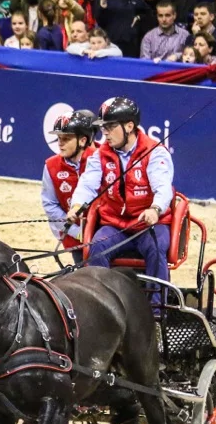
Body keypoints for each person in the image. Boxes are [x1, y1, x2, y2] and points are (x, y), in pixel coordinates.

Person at [67, 96, 176, 293]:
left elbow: (163, 187)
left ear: (129, 126)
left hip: (149, 224)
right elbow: (87, 185)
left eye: (110, 127)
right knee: (96, 247)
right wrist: (76, 206)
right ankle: (98, 301)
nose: (105, 133)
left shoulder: (155, 152)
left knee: (156, 247)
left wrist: (155, 209)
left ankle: (157, 310)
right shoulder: (99, 155)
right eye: (103, 128)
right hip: (115, 224)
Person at [41, 108, 98, 251]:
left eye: (66, 138)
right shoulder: (51, 166)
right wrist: (75, 231)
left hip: (104, 234)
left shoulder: (100, 159)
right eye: (59, 138)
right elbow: (50, 205)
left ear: (82, 140)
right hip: (75, 238)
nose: (60, 143)